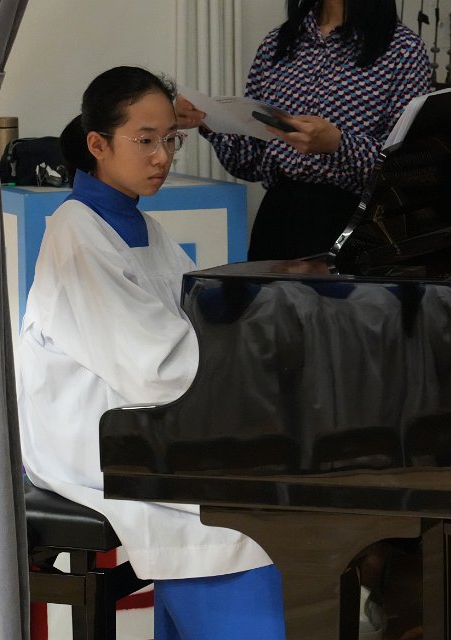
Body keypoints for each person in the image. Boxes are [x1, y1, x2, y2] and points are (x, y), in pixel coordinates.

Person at [16, 66, 286, 639]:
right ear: (98, 144)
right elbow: (156, 370)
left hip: (142, 415)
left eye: (170, 139)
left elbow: (198, 316)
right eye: (145, 140)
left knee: (265, 481)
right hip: (93, 433)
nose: (162, 156)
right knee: (244, 507)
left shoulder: (136, 224)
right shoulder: (78, 233)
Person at [177, 0, 432, 260]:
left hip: (358, 221)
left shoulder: (402, 49)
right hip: (280, 217)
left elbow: (406, 164)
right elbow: (250, 162)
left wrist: (338, 144)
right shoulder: (279, 42)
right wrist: (210, 119)